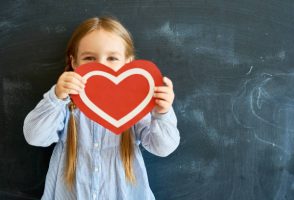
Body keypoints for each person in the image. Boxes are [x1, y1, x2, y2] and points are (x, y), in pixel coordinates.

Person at [23, 16, 180, 200]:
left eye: (112, 58)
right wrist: (56, 97)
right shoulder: (65, 102)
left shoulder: (136, 104)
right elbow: (35, 137)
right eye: (89, 58)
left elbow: (163, 148)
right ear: (74, 63)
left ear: (128, 63)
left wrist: (161, 114)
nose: (101, 66)